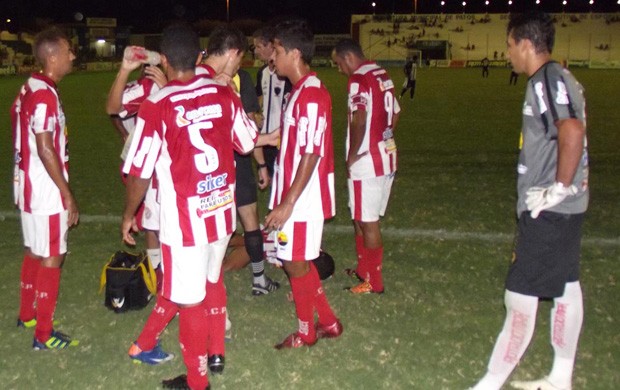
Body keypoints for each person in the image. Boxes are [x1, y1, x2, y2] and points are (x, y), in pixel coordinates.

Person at [121, 23, 267, 390]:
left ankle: (197, 381)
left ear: (165, 60)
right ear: (200, 57)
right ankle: (216, 352)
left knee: (189, 301)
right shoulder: (223, 93)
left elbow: (139, 172)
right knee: (211, 280)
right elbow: (247, 143)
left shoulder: (158, 104)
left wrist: (129, 214)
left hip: (184, 224)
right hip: (220, 213)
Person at [471, 12, 589, 390]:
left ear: (525, 43)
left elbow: (571, 129)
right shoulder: (557, 77)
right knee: (566, 286)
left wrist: (559, 188)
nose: (507, 54)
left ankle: (489, 384)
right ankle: (560, 378)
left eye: (509, 46)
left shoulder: (546, 80)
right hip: (565, 209)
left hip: (549, 210)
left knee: (519, 299)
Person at [265, 19, 343, 349]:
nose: (273, 57)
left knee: (294, 264)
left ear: (295, 54)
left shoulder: (310, 95)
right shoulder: (302, 91)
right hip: (297, 195)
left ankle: (306, 332)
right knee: (297, 261)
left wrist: (288, 203)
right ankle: (329, 323)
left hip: (303, 198)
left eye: (278, 51)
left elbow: (311, 153)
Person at [12, 27, 80, 350]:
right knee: (54, 255)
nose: (72, 56)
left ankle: (26, 314)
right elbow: (45, 147)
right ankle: (43, 334)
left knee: (36, 251)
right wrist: (66, 193)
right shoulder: (43, 94)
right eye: (68, 50)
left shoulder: (31, 86)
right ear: (52, 56)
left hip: (27, 186)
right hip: (44, 189)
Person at [331, 39, 400, 294]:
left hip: (366, 161)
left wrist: (352, 154)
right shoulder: (382, 73)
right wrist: (385, 138)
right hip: (386, 156)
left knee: (367, 221)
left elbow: (359, 119)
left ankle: (374, 283)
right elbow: (396, 113)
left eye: (339, 64)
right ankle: (364, 271)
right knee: (359, 216)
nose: (339, 70)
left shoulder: (358, 79)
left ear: (349, 58)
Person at [106, 51, 167, 288]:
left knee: (155, 221)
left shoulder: (172, 85)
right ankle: (158, 275)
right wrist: (124, 133)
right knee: (152, 222)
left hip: (159, 165)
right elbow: (113, 108)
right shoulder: (146, 87)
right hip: (143, 164)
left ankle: (162, 273)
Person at [253, 26, 292, 178]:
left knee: (284, 180)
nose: (255, 51)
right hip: (264, 138)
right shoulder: (261, 72)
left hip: (281, 138)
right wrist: (257, 113)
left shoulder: (286, 73)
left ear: (270, 46)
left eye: (258, 46)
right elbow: (258, 96)